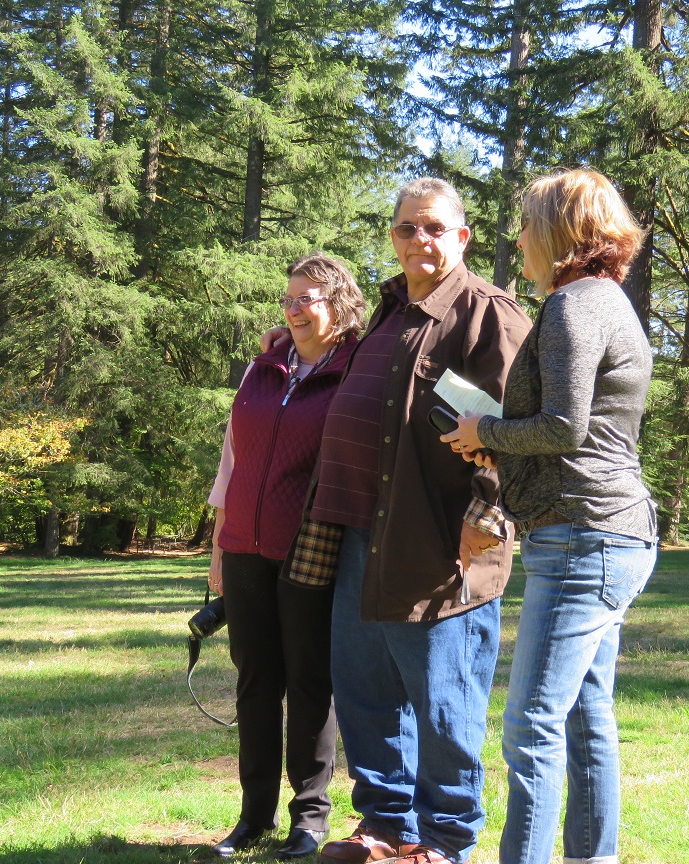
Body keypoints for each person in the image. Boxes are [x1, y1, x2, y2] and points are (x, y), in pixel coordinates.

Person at [267, 178, 531, 864]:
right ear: (393, 236)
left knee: (444, 700)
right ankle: (387, 826)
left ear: (462, 237)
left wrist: (490, 510)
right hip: (359, 533)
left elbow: (522, 427)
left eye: (436, 228)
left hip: (441, 540)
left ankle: (447, 838)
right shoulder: (389, 313)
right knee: (367, 691)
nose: (421, 239)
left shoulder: (487, 314)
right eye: (409, 227)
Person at [439, 169, 658, 864]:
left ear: (561, 232)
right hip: (607, 532)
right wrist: (498, 435)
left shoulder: (573, 306)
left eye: (528, 224)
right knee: (587, 718)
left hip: (583, 536)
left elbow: (564, 427)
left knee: (531, 723)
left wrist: (484, 431)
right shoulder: (606, 302)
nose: (519, 239)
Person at [207, 253, 367, 859]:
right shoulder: (263, 367)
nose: (294, 310)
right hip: (243, 547)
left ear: (339, 305)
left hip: (310, 551)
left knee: (308, 684)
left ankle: (310, 818)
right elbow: (231, 462)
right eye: (289, 299)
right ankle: (253, 816)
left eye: (308, 299)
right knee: (255, 683)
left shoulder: (354, 371)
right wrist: (218, 547)